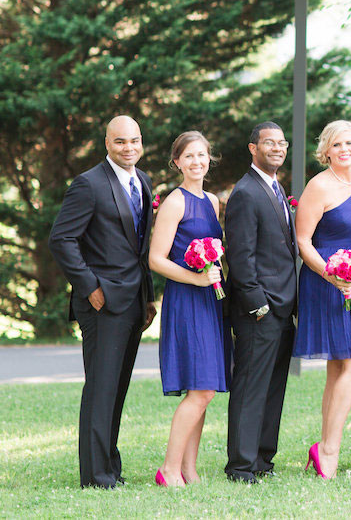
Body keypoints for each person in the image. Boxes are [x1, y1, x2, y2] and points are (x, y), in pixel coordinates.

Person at [48, 115, 157, 488]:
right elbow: (61, 240)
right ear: (106, 143)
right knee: (101, 388)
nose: (129, 148)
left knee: (118, 387)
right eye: (120, 141)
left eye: (135, 141)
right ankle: (96, 476)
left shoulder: (142, 181)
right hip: (101, 302)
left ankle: (110, 466)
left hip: (134, 301)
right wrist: (89, 286)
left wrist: (149, 296)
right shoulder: (88, 184)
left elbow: (140, 248)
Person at [293, 120, 351, 478]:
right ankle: (329, 449)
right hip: (325, 279)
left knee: (341, 365)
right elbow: (303, 241)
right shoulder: (318, 186)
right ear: (326, 150)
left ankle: (323, 445)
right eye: (338, 144)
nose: (345, 150)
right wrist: (331, 274)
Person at [149, 131, 231, 486]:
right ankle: (168, 470)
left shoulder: (213, 201)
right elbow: (155, 259)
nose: (197, 161)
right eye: (189, 156)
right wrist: (195, 279)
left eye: (203, 155)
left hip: (212, 301)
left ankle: (189, 469)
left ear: (209, 159)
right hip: (187, 299)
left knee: (206, 388)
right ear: (177, 162)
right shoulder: (175, 202)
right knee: (200, 390)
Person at [223, 121, 298, 483]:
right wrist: (258, 304)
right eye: (269, 143)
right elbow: (240, 257)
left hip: (283, 307)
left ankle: (262, 459)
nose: (277, 148)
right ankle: (240, 465)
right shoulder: (245, 193)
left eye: (281, 143)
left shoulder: (275, 188)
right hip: (260, 310)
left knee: (273, 387)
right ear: (253, 148)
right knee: (251, 386)